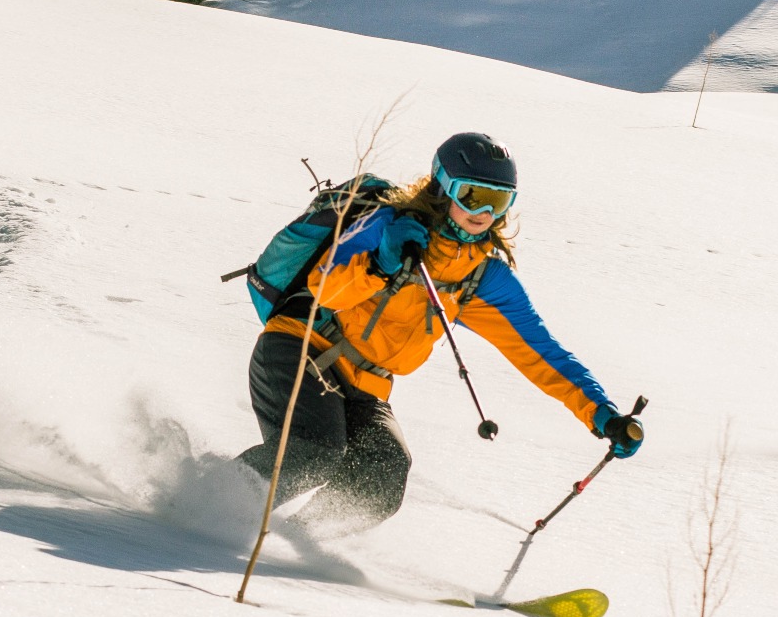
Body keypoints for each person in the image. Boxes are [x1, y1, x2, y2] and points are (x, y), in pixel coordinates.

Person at [239, 132, 643, 531]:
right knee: (313, 451)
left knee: (382, 476)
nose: (483, 210)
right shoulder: (387, 224)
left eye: (498, 200)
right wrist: (381, 263)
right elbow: (325, 288)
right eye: (472, 195)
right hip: (301, 348)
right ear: (443, 187)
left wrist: (601, 414)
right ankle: (205, 504)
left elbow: (539, 352)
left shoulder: (482, 277)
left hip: (366, 385)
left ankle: (296, 542)